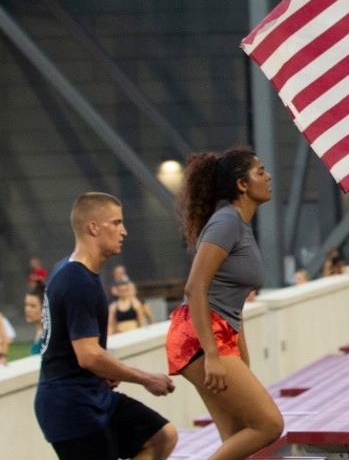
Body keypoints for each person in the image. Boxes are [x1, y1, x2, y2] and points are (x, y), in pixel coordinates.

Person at [34, 192, 177, 460]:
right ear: (93, 227)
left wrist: (105, 371)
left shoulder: (74, 271)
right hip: (71, 406)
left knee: (162, 436)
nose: (124, 231)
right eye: (116, 223)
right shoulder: (77, 281)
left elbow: (73, 346)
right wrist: (145, 378)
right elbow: (88, 355)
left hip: (94, 394)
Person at [165, 147, 283, 460]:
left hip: (218, 334)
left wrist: (240, 354)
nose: (268, 176)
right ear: (242, 184)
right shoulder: (227, 222)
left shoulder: (239, 225)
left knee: (236, 436)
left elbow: (232, 302)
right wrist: (213, 355)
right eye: (260, 171)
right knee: (269, 424)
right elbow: (195, 288)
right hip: (199, 337)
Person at [26, 279, 46, 355]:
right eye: (26, 305)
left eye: (33, 306)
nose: (27, 309)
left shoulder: (46, 338)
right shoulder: (39, 334)